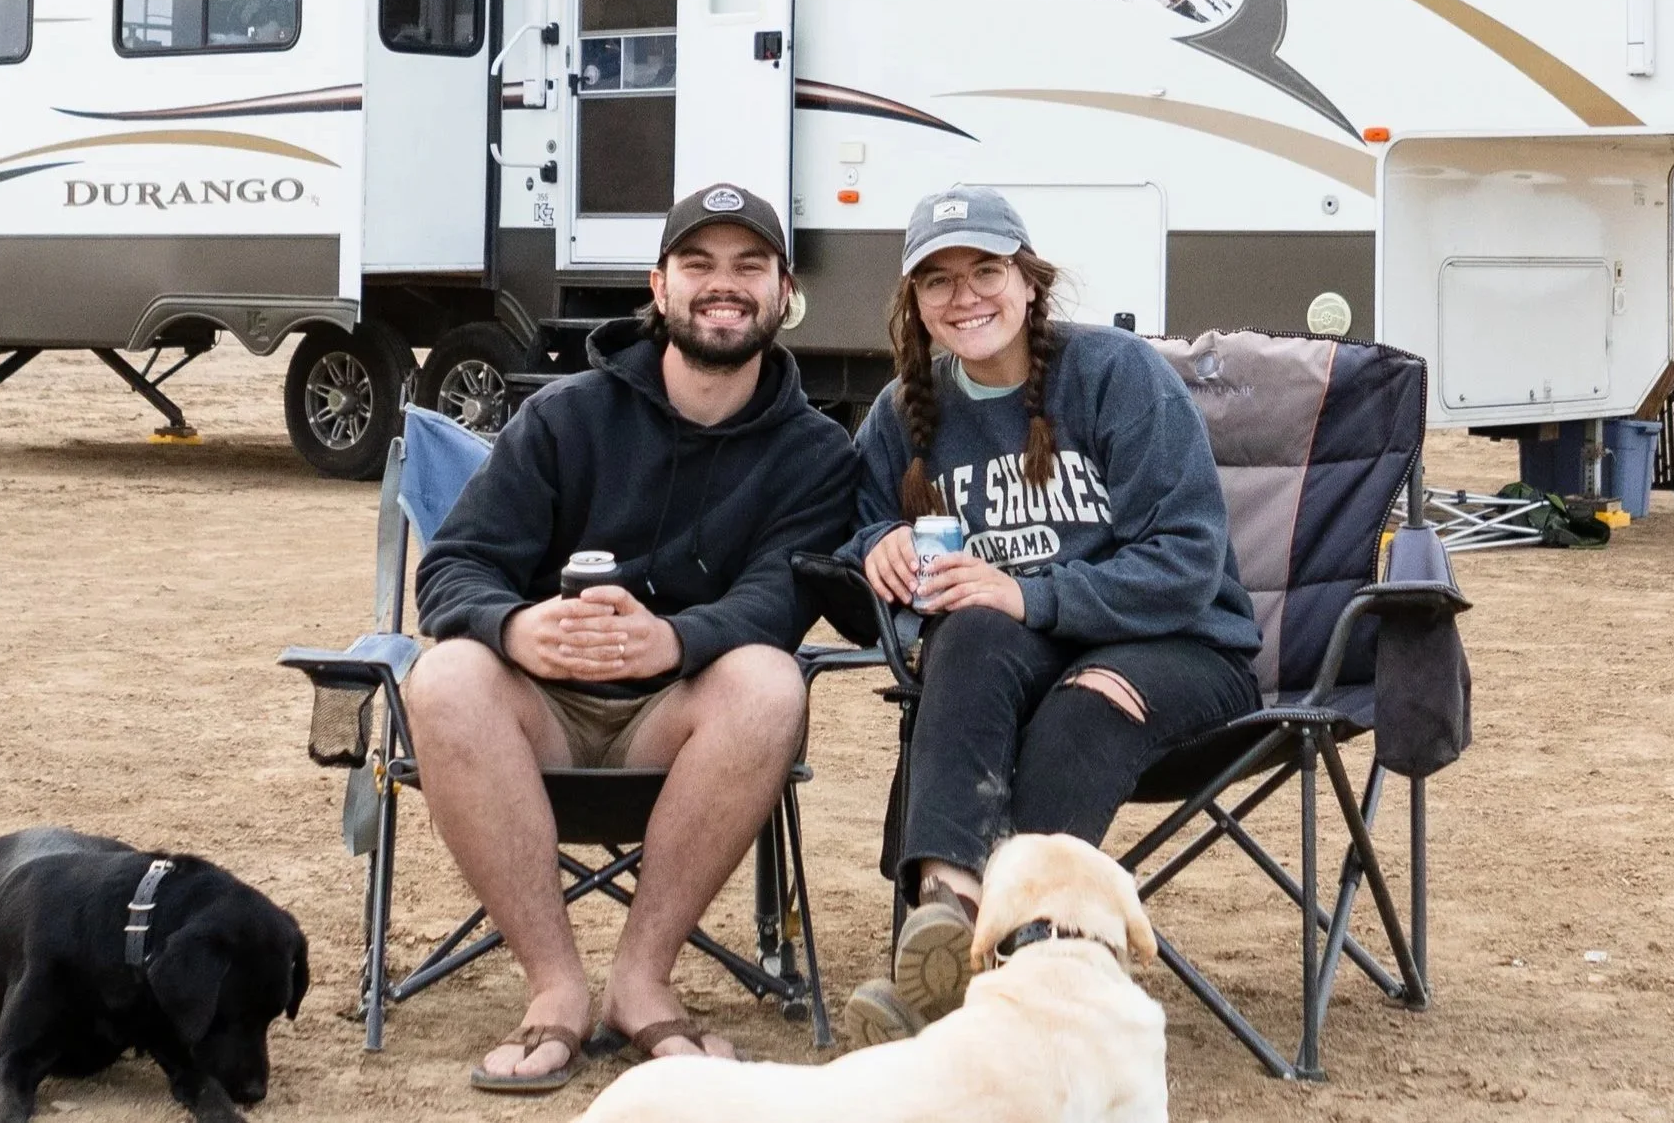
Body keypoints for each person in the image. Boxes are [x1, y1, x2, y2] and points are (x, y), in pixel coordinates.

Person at [404, 184, 856, 1091]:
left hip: (681, 717)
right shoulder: (565, 417)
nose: (721, 287)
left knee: (770, 680)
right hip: (541, 711)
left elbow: (780, 597)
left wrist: (675, 641)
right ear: (659, 286)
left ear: (782, 292)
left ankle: (642, 981)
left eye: (747, 268)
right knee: (448, 674)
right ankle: (556, 988)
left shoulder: (817, 454)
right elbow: (454, 569)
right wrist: (516, 627)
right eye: (697, 265)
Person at [838, 186, 1262, 1047]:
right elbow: (857, 533)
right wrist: (875, 545)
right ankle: (949, 911)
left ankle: (1018, 960)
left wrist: (1030, 591)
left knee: (1078, 702)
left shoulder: (1114, 375)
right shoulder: (901, 414)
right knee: (969, 630)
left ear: (1029, 281)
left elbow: (1186, 564)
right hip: (1024, 655)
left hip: (1179, 646)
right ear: (914, 306)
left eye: (986, 271)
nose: (966, 298)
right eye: (939, 282)